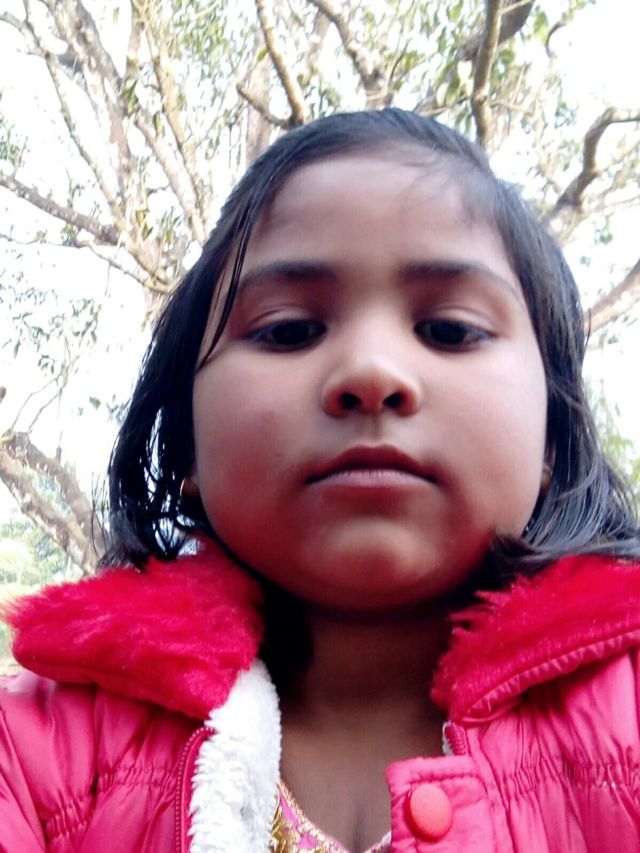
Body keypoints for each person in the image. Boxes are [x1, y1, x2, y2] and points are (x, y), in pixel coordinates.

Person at [2, 108, 640, 853]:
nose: (371, 372)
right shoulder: (37, 753)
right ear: (187, 448)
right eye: (289, 330)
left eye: (450, 330)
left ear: (552, 437)